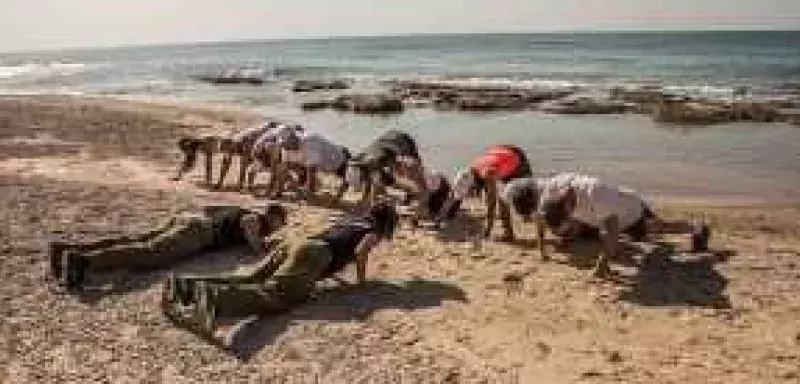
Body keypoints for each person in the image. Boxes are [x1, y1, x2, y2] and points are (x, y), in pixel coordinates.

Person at [161, 201, 400, 342]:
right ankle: (208, 302)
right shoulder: (373, 231)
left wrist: (329, 273)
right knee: (274, 296)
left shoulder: (352, 220)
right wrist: (361, 283)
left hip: (298, 244)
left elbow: (335, 241)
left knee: (250, 277)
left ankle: (184, 286)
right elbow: (360, 252)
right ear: (387, 222)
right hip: (314, 254)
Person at [47, 203, 288, 290]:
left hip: (190, 221)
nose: (279, 227)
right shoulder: (254, 218)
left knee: (137, 241)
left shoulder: (243, 211)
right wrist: (265, 246)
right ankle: (83, 261)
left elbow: (210, 208)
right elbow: (253, 238)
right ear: (273, 216)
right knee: (150, 254)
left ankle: (70, 249)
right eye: (281, 222)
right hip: (198, 233)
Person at [523, 172, 710, 277]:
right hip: (595, 216)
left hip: (629, 212)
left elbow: (611, 231)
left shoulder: (595, 193)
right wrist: (542, 250)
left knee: (660, 228)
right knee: (643, 241)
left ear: (569, 208)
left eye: (565, 222)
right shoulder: (551, 192)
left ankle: (697, 227)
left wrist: (602, 267)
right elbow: (541, 219)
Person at [434, 145, 532, 238]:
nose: (470, 195)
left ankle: (510, 232)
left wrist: (487, 230)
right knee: (503, 195)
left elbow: (492, 203)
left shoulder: (488, 174)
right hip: (502, 151)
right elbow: (452, 197)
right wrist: (439, 218)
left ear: (474, 185)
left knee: (508, 200)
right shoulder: (471, 169)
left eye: (470, 192)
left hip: (518, 162)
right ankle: (518, 222)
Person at [345, 130, 427, 207]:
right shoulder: (362, 162)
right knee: (398, 175)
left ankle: (423, 196)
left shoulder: (371, 164)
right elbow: (370, 184)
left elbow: (370, 184)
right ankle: (414, 194)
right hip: (387, 142)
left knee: (414, 170)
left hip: (401, 141)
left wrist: (368, 200)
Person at [265, 129, 352, 201]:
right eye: (283, 144)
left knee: (344, 175)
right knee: (286, 165)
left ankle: (342, 191)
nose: (285, 147)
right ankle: (303, 182)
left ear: (294, 139)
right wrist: (278, 192)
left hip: (336, 159)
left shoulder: (310, 143)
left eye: (287, 144)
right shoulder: (286, 148)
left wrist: (307, 194)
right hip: (315, 162)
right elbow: (283, 170)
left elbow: (311, 173)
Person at [215, 121, 282, 191]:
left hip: (268, 138)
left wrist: (239, 185)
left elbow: (243, 165)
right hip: (263, 135)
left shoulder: (244, 142)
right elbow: (227, 163)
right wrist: (220, 182)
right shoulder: (237, 142)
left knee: (270, 165)